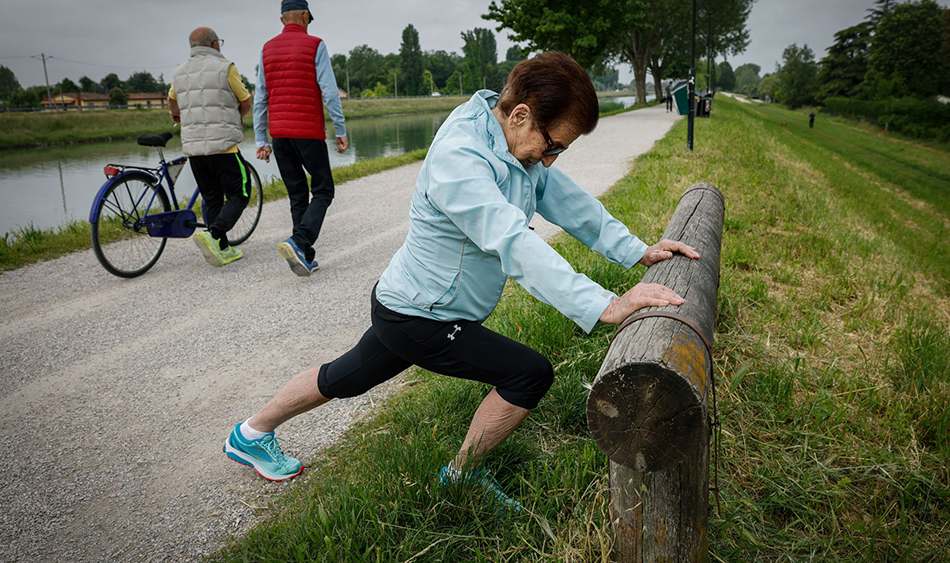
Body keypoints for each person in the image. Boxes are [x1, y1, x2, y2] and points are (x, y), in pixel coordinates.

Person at [224, 52, 699, 510]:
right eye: (552, 145)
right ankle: (461, 476)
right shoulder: (460, 157)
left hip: (406, 303)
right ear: (519, 115)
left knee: (343, 378)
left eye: (561, 150)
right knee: (528, 374)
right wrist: (602, 304)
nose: (551, 159)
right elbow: (512, 241)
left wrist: (637, 250)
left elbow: (568, 200)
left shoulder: (514, 145)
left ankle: (250, 433)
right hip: (420, 315)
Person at [254, 0, 348, 277]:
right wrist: (340, 130)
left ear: (282, 19)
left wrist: (261, 139)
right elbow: (330, 92)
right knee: (323, 190)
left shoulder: (267, 49)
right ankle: (299, 241)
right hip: (308, 132)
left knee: (297, 193)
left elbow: (261, 97)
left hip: (280, 134)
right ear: (305, 15)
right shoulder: (315, 45)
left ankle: (304, 256)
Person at [168, 27, 254, 267]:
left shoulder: (179, 71)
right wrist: (234, 118)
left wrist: (176, 116)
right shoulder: (226, 67)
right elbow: (246, 102)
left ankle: (223, 248)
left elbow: (172, 101)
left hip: (195, 149)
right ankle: (213, 234)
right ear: (215, 44)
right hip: (223, 146)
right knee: (241, 192)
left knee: (212, 196)